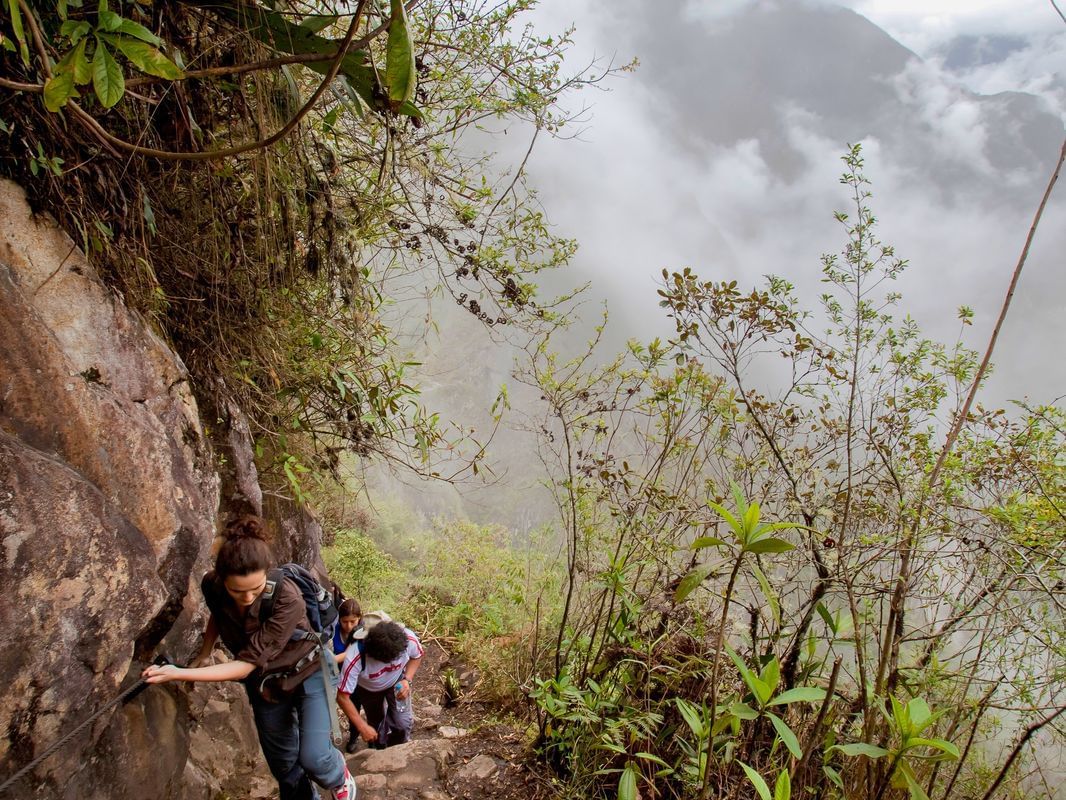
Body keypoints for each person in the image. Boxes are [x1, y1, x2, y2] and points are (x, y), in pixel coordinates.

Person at [143, 515, 358, 800]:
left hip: (309, 673)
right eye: (237, 591)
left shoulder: (286, 597)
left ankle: (338, 776)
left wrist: (177, 673)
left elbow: (245, 665)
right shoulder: (213, 585)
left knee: (314, 757)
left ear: (267, 574)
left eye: (255, 590)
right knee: (284, 767)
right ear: (222, 579)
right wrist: (206, 653)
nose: (246, 598)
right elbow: (219, 616)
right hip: (266, 685)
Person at [336, 612, 423, 748]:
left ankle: (397, 748)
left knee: (403, 724)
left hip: (397, 683)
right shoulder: (355, 656)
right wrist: (362, 727)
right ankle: (380, 748)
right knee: (375, 723)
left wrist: (407, 679)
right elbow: (342, 697)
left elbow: (417, 656)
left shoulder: (407, 640)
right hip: (369, 690)